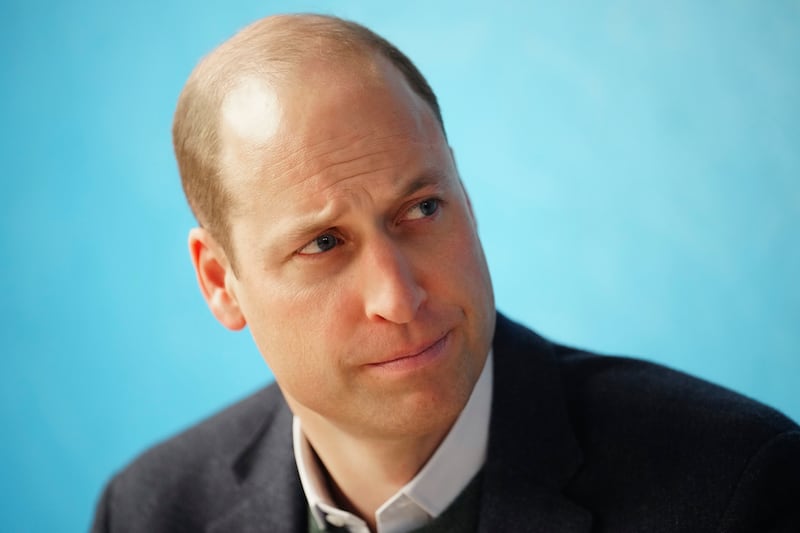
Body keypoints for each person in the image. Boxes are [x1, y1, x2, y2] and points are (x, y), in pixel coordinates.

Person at [91, 13, 800, 533]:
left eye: (422, 207)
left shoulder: (735, 489)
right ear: (220, 281)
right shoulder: (150, 509)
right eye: (325, 243)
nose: (399, 297)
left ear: (463, 188)